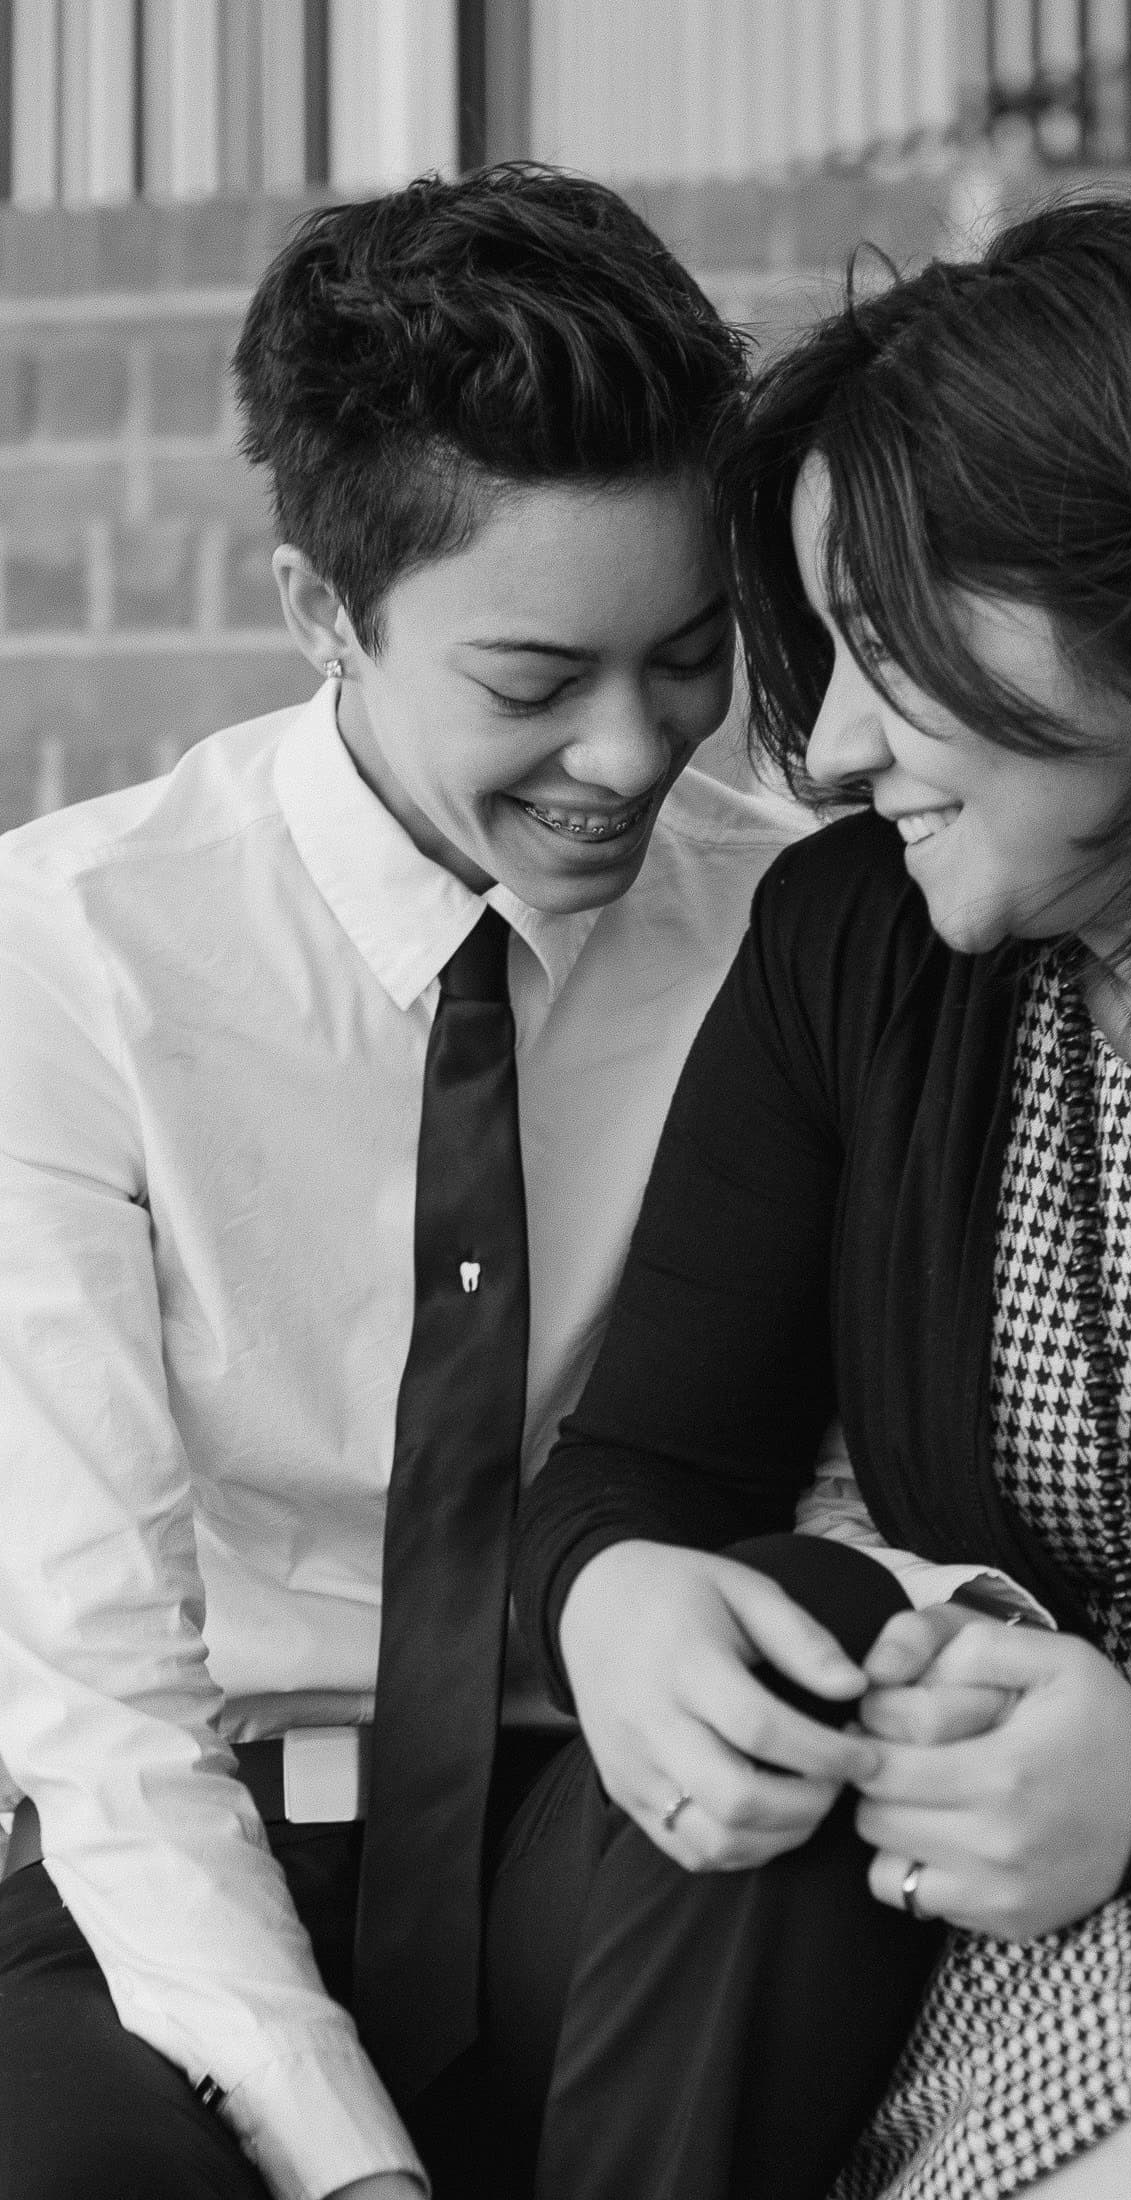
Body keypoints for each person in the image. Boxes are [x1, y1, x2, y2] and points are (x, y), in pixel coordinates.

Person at [508, 196, 1131, 2198]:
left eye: (883, 651)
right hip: (997, 1907)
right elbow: (636, 1464)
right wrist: (614, 1599)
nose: (834, 749)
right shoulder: (858, 949)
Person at [0, 164, 814, 2200]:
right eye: (534, 685)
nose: (629, 756)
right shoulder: (72, 955)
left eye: (691, 656)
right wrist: (350, 2169)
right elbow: (96, 1677)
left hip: (592, 1820)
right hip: (165, 1832)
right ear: (319, 618)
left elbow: (829, 1483)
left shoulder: (789, 925)